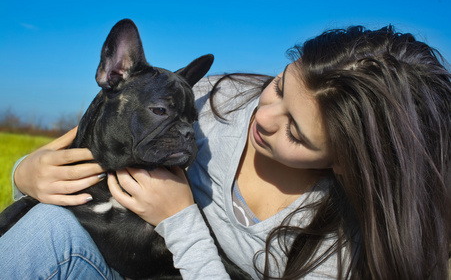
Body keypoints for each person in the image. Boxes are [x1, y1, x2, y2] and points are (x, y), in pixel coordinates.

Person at [1, 25, 450, 279]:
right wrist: (26, 173)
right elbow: (104, 130)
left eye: (295, 131)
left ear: (344, 162)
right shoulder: (220, 98)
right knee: (48, 226)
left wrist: (180, 222)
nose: (265, 117)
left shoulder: (341, 249)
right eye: (278, 86)